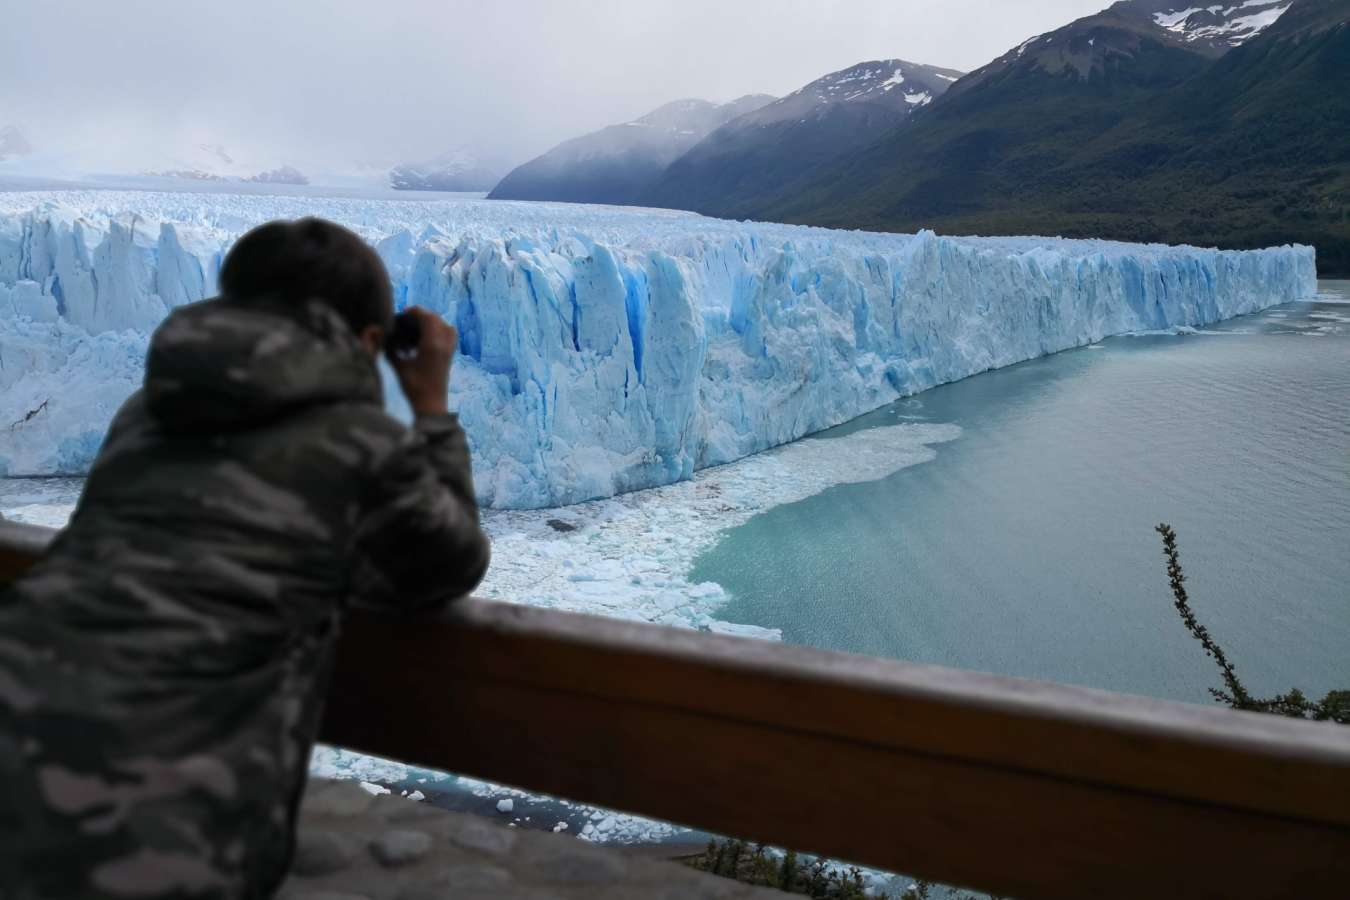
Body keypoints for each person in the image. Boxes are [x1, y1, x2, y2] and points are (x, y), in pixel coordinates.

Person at [0, 218, 491, 899]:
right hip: (156, 823)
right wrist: (431, 410)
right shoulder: (360, 443)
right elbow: (449, 561)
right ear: (370, 341)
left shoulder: (146, 414)